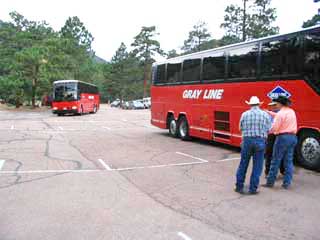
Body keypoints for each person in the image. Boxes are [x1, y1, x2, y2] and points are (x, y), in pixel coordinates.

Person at [235, 96, 272, 195]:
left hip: (247, 141)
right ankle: (253, 189)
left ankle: (239, 186)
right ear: (259, 104)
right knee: (257, 166)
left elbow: (240, 128)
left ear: (250, 104)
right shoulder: (265, 114)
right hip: (260, 141)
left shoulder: (244, 114)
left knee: (243, 164)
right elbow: (269, 128)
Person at [263, 96, 297, 189]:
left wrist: (265, 132)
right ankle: (286, 183)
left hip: (282, 138)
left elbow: (274, 128)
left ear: (280, 103)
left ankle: (270, 182)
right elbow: (280, 116)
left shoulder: (280, 114)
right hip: (293, 137)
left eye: (276, 104)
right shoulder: (291, 111)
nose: (275, 105)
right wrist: (269, 112)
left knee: (275, 160)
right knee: (288, 161)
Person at [264, 101, 285, 177]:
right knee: (269, 153)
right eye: (271, 105)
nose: (273, 107)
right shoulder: (269, 113)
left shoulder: (280, 114)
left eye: (274, 105)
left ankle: (282, 171)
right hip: (271, 135)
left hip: (278, 134)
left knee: (277, 153)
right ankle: (268, 171)